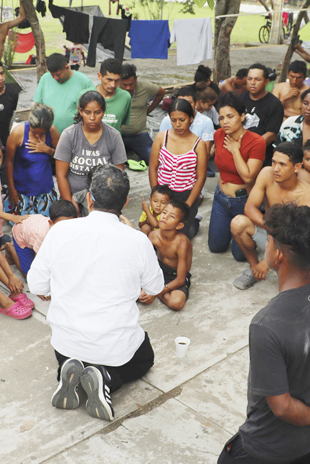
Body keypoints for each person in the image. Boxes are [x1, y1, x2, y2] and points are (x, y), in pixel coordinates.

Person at [218, 203, 310, 464]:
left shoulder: (265, 325)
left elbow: (282, 407)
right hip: (304, 443)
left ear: (279, 255)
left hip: (263, 448)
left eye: (269, 242)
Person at [29, 165, 164, 421]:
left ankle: (67, 372)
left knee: (73, 351)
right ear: (125, 201)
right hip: (115, 350)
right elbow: (155, 287)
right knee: (144, 359)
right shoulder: (137, 241)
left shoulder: (60, 231)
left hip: (67, 344)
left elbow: (36, 286)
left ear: (89, 197)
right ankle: (107, 378)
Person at [230, 142, 310, 290]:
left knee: (292, 282)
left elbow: (302, 236)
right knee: (238, 223)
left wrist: (270, 255)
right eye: (273, 162)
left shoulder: (308, 195)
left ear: (296, 167)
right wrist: (271, 238)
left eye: (282, 164)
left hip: (291, 243)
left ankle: (285, 275)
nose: (276, 169)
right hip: (270, 230)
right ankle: (254, 269)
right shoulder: (266, 174)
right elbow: (250, 208)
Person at [208, 93, 265, 257]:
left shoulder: (256, 142)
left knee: (240, 256)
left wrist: (235, 151)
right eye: (221, 118)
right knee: (216, 247)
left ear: (242, 116)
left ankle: (255, 229)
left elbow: (248, 177)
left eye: (230, 116)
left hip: (243, 201)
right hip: (220, 198)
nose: (225, 122)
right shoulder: (218, 135)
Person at [55, 91, 127, 208]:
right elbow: (61, 175)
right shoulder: (69, 135)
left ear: (103, 112)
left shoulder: (113, 136)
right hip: (73, 198)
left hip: (104, 201)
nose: (92, 118)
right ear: (81, 111)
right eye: (87, 112)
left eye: (97, 112)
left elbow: (119, 176)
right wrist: (71, 206)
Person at [149, 99, 208, 239]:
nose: (178, 124)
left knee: (179, 237)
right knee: (158, 232)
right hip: (163, 194)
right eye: (173, 120)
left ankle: (193, 223)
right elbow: (153, 167)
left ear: (191, 118)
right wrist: (156, 195)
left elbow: (201, 177)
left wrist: (187, 205)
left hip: (186, 196)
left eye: (182, 120)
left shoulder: (198, 144)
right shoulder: (161, 138)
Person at [5, 104, 59, 217]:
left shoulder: (52, 132)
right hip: (22, 190)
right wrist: (12, 190)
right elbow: (9, 162)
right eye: (34, 132)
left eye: (42, 133)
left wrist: (48, 150)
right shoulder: (17, 133)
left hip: (44, 191)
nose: (38, 136)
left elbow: (62, 156)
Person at [144, 199, 192, 311]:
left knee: (176, 303)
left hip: (176, 276)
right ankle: (155, 290)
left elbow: (181, 279)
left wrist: (155, 293)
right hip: (159, 271)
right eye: (164, 213)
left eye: (172, 216)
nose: (164, 217)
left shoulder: (182, 243)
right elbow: (144, 262)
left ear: (179, 225)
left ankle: (157, 292)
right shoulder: (153, 236)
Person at [11, 199, 77, 276]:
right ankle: (11, 249)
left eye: (69, 224)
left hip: (33, 226)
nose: (65, 228)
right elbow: (39, 261)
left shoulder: (71, 227)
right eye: (61, 225)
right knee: (29, 274)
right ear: (51, 223)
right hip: (21, 233)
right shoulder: (42, 235)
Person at [33, 53, 95, 133]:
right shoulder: (45, 78)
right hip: (49, 134)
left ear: (67, 67)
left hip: (75, 135)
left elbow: (93, 108)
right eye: (52, 75)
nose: (55, 78)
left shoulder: (84, 81)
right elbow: (37, 105)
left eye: (59, 75)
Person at [119, 63, 165, 163]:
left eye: (131, 84)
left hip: (139, 135)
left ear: (136, 79)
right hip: (117, 135)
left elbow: (161, 92)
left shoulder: (145, 86)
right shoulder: (113, 89)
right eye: (124, 85)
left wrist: (150, 109)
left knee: (156, 160)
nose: (128, 88)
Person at [240, 63, 284, 161]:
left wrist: (250, 147)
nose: (252, 82)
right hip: (237, 149)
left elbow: (271, 135)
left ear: (266, 82)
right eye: (249, 79)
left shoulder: (274, 104)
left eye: (257, 79)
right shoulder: (240, 99)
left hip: (260, 154)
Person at [78, 58, 132, 132]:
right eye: (109, 80)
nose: (113, 85)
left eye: (117, 80)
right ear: (99, 76)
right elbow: (79, 122)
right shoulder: (84, 95)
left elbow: (121, 123)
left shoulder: (125, 97)